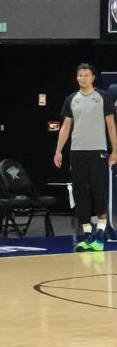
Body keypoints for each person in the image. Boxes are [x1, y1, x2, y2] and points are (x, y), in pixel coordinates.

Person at [54, 62, 117, 251]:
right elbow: (65, 127)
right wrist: (58, 150)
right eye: (80, 75)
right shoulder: (71, 99)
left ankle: (100, 236)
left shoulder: (103, 97)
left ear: (93, 77)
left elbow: (111, 126)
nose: (82, 78)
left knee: (99, 192)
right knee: (80, 194)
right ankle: (88, 236)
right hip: (77, 153)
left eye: (86, 75)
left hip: (98, 151)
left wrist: (115, 150)